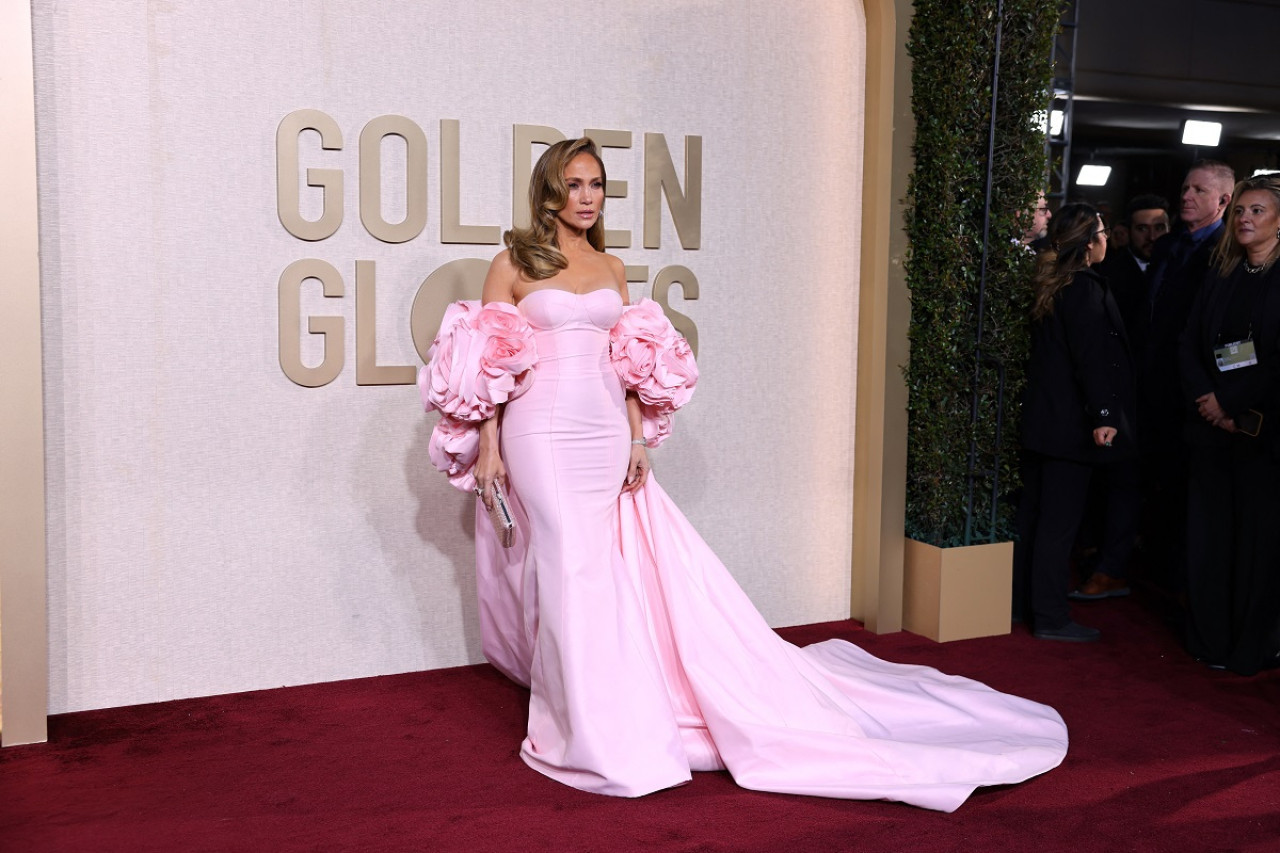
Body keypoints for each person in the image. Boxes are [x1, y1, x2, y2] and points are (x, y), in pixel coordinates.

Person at [418, 138, 1067, 812]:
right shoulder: (513, 263)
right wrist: (489, 443)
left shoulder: (613, 267)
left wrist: (637, 436)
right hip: (539, 430)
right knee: (566, 563)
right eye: (575, 184)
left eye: (597, 185)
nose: (588, 197)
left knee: (602, 569)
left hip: (605, 429)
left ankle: (610, 709)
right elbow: (489, 363)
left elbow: (630, 358)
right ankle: (584, 730)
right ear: (548, 191)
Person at [1014, 204, 1137, 641]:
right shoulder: (1084, 288)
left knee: (1034, 518)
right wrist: (1105, 414)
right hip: (1070, 428)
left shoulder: (1049, 284)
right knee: (1058, 524)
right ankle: (1048, 617)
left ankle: (1021, 606)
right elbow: (1093, 361)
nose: (1107, 238)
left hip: (1042, 423)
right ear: (1090, 243)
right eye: (1102, 231)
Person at [1178, 174, 1280, 675]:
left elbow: (1276, 362)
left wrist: (1229, 402)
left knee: (1258, 545)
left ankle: (1252, 647)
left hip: (1264, 434)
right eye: (1240, 210)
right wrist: (1207, 400)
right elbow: (1189, 341)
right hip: (1211, 428)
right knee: (1210, 538)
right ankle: (1210, 641)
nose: (1244, 219)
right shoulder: (1222, 273)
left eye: (1257, 211)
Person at [1139, 161, 1235, 596]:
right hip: (1153, 382)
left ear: (1223, 200)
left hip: (1195, 392)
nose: (1186, 196)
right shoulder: (1169, 245)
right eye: (1184, 188)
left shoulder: (1227, 253)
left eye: (1199, 190)